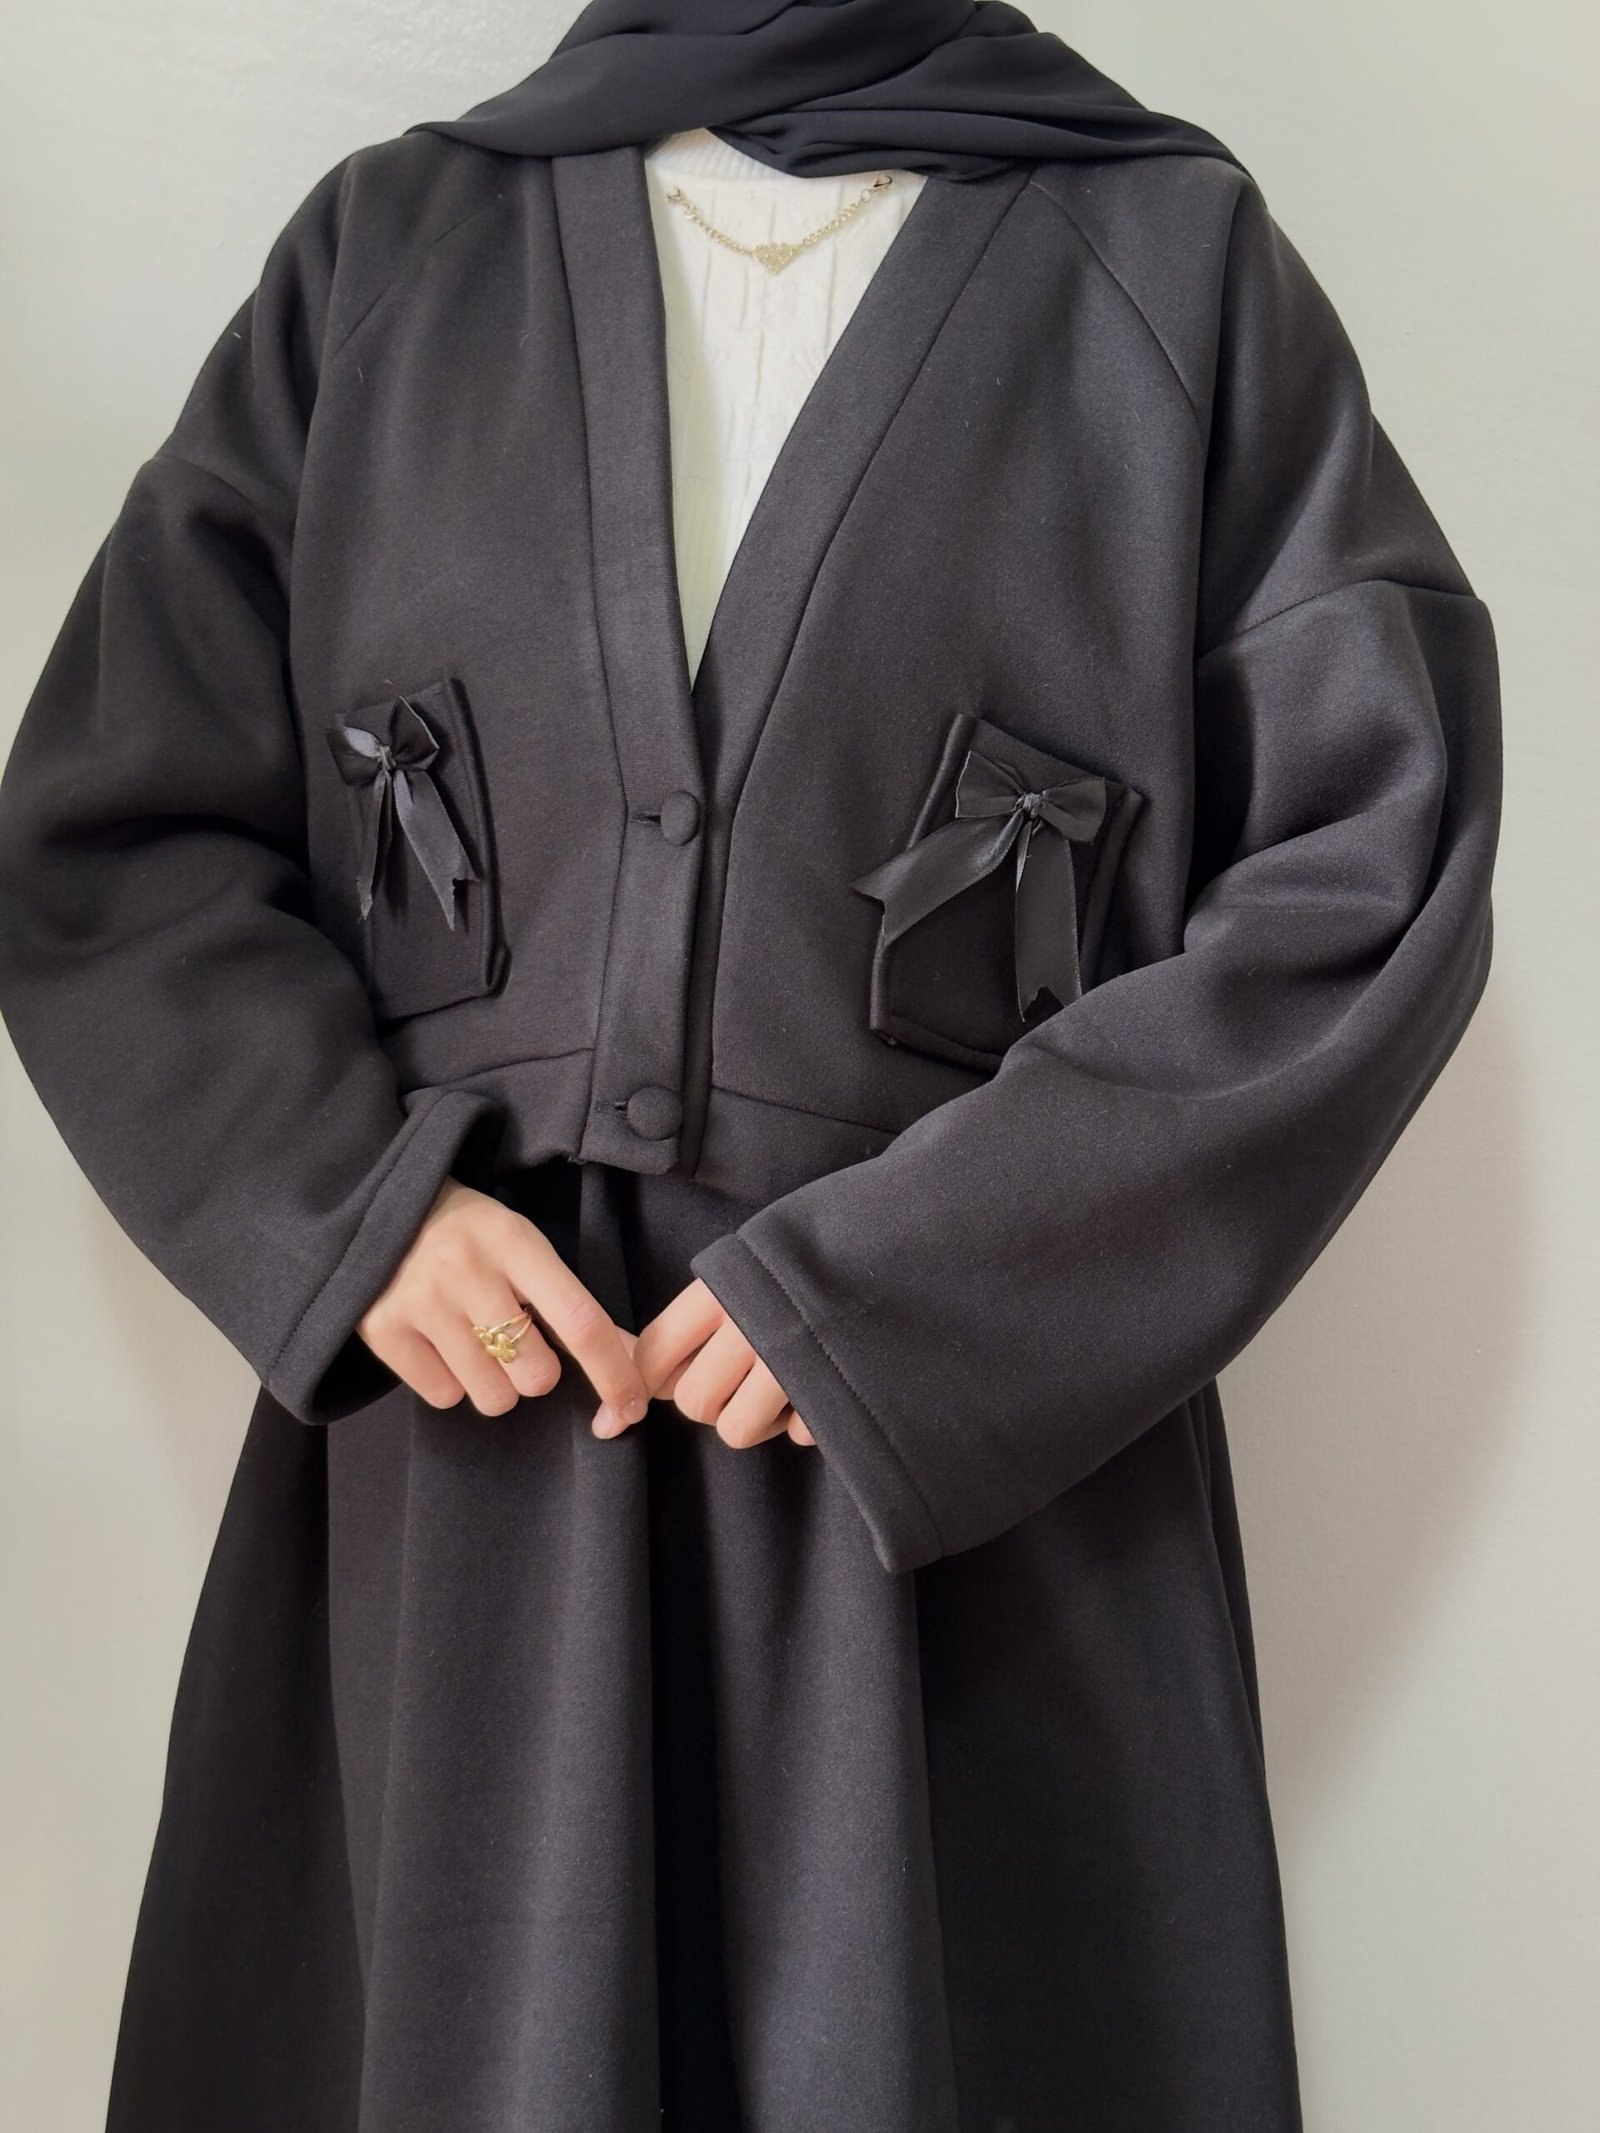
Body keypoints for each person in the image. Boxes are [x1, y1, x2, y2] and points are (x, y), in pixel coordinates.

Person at [0, 5, 1502, 2130]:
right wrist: (349, 1211)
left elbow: (1371, 864)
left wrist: (921, 1292)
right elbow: (112, 830)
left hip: (962, 1521)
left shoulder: (1170, 265)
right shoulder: (392, 254)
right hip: (474, 1470)